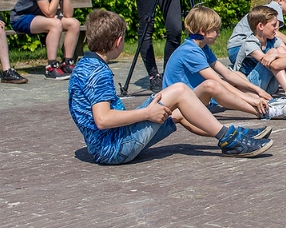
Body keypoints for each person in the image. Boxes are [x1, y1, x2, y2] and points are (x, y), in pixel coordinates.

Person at [68, 9, 273, 163]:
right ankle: (230, 139)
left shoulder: (86, 65)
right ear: (118, 41)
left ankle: (232, 135)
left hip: (109, 143)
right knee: (180, 91)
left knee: (180, 110)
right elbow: (103, 119)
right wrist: (147, 114)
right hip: (114, 148)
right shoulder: (98, 72)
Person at [164, 6, 286, 121]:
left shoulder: (202, 47)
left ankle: (267, 102)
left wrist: (257, 90)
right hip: (178, 104)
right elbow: (218, 81)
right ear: (202, 30)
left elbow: (227, 73)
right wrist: (250, 99)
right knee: (212, 85)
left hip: (195, 97)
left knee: (236, 74)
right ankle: (262, 111)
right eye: (215, 29)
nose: (219, 33)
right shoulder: (190, 52)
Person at [9, 0, 81, 80]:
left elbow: (69, 14)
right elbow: (49, 13)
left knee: (74, 23)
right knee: (55, 23)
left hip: (41, 19)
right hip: (21, 18)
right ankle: (51, 67)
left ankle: (67, 63)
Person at [231, 5, 286, 104]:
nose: (277, 28)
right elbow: (274, 65)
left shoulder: (273, 39)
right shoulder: (250, 43)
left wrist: (280, 54)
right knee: (272, 54)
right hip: (249, 87)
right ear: (261, 26)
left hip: (269, 86)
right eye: (274, 25)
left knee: (279, 51)